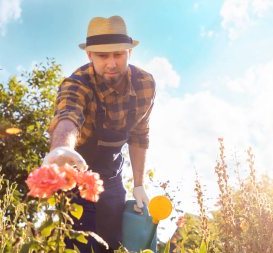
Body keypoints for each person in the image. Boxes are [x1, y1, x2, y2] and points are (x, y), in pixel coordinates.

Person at [43, 15, 156, 252]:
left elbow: (139, 135)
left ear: (129, 53)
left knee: (109, 243)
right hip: (74, 174)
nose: (112, 63)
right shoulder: (76, 83)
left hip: (112, 178)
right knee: (77, 243)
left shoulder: (145, 84)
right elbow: (68, 117)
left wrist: (138, 184)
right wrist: (62, 148)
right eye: (103, 56)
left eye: (118, 54)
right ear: (89, 55)